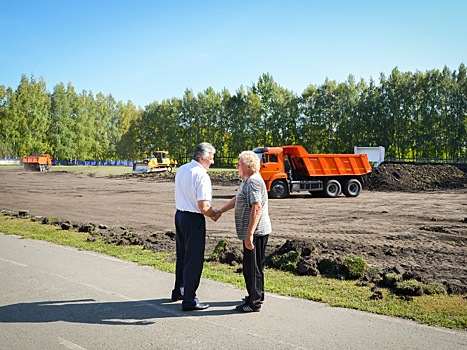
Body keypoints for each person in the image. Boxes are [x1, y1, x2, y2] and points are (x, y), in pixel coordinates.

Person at [219, 151, 271, 312]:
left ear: (248, 166)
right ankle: (258, 296)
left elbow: (257, 207)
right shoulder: (247, 180)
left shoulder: (253, 181)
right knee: (255, 266)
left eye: (239, 163)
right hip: (255, 231)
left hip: (255, 232)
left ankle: (253, 303)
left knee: (251, 268)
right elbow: (238, 199)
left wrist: (249, 235)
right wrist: (221, 210)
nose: (237, 166)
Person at [172, 142, 221, 311]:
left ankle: (179, 290)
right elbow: (203, 206)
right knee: (194, 259)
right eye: (211, 158)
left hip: (180, 215)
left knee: (183, 256)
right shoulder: (201, 175)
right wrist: (214, 214)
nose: (213, 161)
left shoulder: (182, 169)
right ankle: (190, 299)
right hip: (193, 219)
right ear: (203, 158)